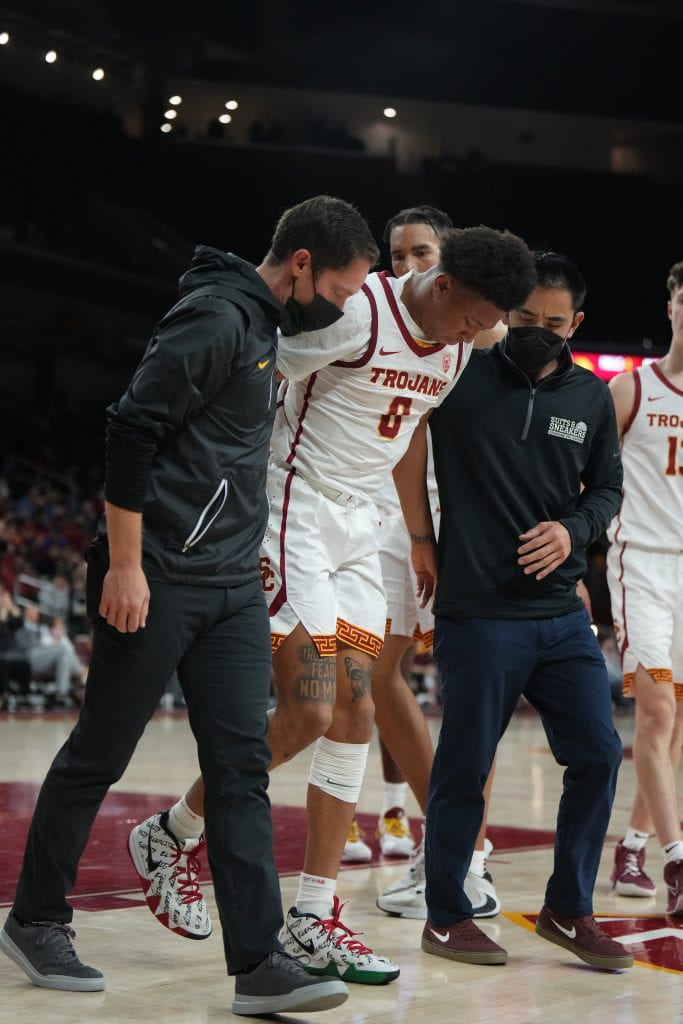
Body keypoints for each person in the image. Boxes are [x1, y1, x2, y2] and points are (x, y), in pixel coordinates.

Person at [0, 194, 381, 1017]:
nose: (349, 306)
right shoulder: (214, 318)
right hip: (160, 574)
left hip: (233, 585)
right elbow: (130, 430)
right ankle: (35, 918)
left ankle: (258, 962)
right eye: (346, 289)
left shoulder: (268, 327)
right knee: (101, 751)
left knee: (241, 767)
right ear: (303, 265)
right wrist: (127, 566)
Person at [130, 225, 537, 983]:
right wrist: (229, 493)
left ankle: (313, 914)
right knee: (312, 709)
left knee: (354, 707)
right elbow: (255, 376)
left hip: (366, 528)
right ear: (443, 286)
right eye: (477, 315)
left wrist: (418, 532)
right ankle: (174, 832)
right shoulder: (354, 317)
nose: (486, 334)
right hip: (298, 512)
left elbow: (415, 422)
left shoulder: (468, 335)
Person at [400, 251, 633, 971]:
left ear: (576, 324)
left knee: (596, 753)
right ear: (506, 310)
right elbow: (405, 439)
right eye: (524, 317)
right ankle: (444, 915)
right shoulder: (457, 372)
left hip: (561, 613)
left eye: (553, 323)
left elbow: (605, 492)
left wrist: (573, 530)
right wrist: (420, 538)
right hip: (478, 611)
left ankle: (567, 909)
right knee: (464, 767)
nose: (537, 331)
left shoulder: (590, 399)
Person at [340, 205, 503, 922]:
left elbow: (502, 328)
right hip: (385, 517)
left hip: (454, 521)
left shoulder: (472, 329)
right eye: (397, 253)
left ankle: (464, 850)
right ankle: (438, 834)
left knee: (477, 687)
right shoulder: (372, 316)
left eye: (423, 252)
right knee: (372, 674)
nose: (408, 265)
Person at [606, 260, 683, 912]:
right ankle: (677, 861)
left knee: (674, 722)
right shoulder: (632, 390)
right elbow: (584, 481)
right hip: (642, 565)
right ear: (671, 307)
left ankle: (632, 841)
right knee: (656, 713)